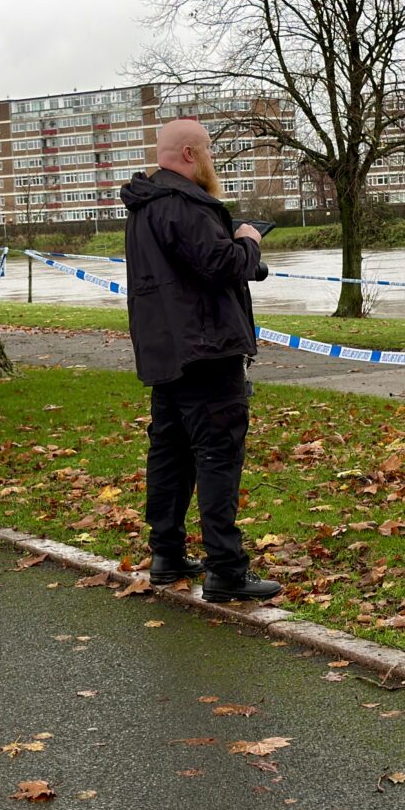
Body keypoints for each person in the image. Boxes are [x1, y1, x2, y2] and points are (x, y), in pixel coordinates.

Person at [120, 119, 280, 602]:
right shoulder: (185, 205)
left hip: (166, 349)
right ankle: (225, 568)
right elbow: (220, 265)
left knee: (170, 452)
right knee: (217, 454)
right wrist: (248, 241)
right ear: (190, 154)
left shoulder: (146, 205)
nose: (212, 158)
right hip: (206, 349)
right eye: (208, 149)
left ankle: (166, 553)